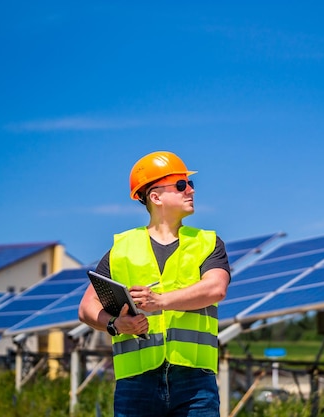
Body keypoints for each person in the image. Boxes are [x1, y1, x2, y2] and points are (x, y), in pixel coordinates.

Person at [78, 150, 231, 417]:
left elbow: (215, 288)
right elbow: (86, 307)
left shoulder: (207, 242)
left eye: (190, 184)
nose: (191, 191)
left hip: (195, 380)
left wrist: (160, 300)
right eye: (181, 185)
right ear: (155, 196)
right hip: (136, 381)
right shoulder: (122, 249)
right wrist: (116, 325)